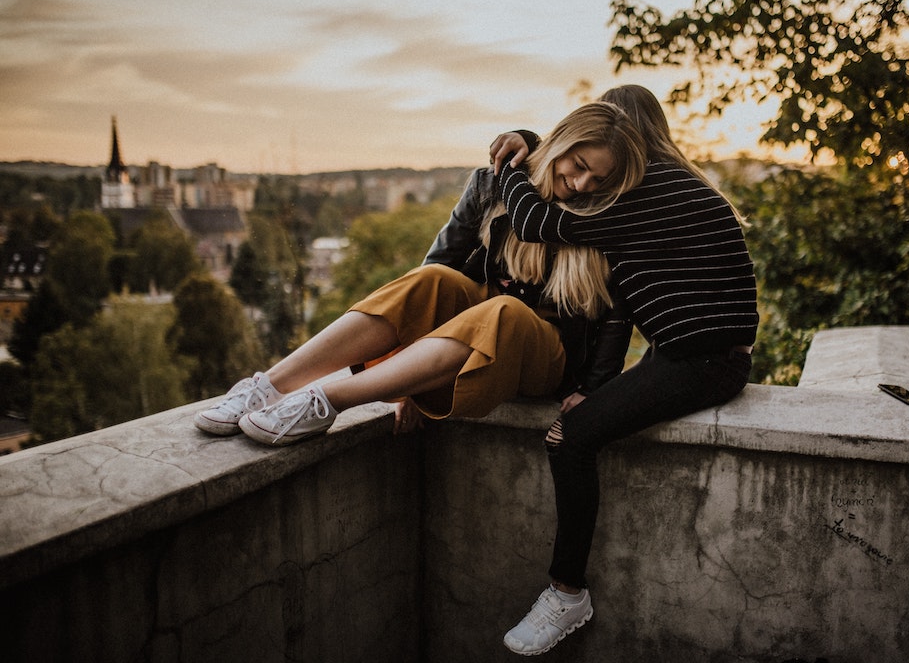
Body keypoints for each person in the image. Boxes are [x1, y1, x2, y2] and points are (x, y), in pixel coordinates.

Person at [194, 101, 647, 448]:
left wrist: (594, 389)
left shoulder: (604, 214)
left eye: (598, 180)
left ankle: (327, 401)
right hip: (475, 322)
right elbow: (441, 262)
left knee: (504, 311)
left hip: (548, 351)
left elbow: (615, 312)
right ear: (561, 145)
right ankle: (267, 386)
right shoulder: (495, 183)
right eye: (580, 167)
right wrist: (410, 378)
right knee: (431, 280)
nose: (584, 185)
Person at [492, 85, 759, 656]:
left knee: (569, 439)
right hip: (685, 355)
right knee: (580, 422)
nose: (593, 184)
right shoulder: (668, 189)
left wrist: (515, 158)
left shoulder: (645, 193)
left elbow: (536, 221)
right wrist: (601, 386)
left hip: (706, 364)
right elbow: (623, 304)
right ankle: (565, 592)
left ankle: (567, 593)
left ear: (628, 142)